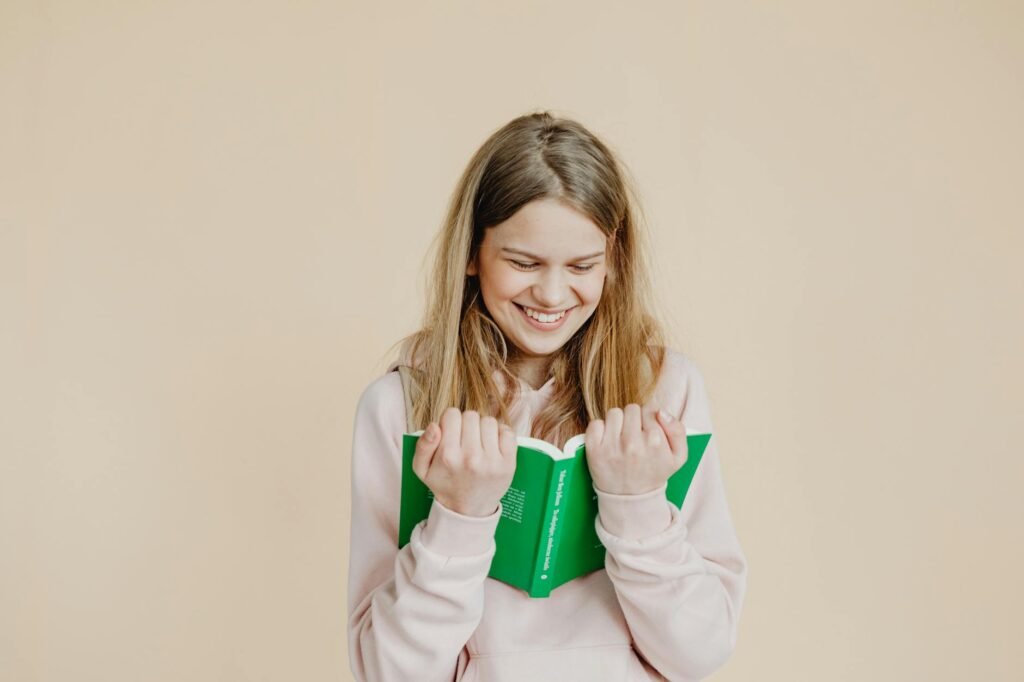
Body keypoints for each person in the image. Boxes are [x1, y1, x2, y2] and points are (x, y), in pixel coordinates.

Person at [346, 111, 747, 681]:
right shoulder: (400, 407)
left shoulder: (666, 393)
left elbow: (701, 651)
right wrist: (459, 517)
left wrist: (637, 507)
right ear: (471, 253)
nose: (553, 293)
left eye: (582, 265)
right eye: (523, 262)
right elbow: (388, 672)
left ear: (614, 259)